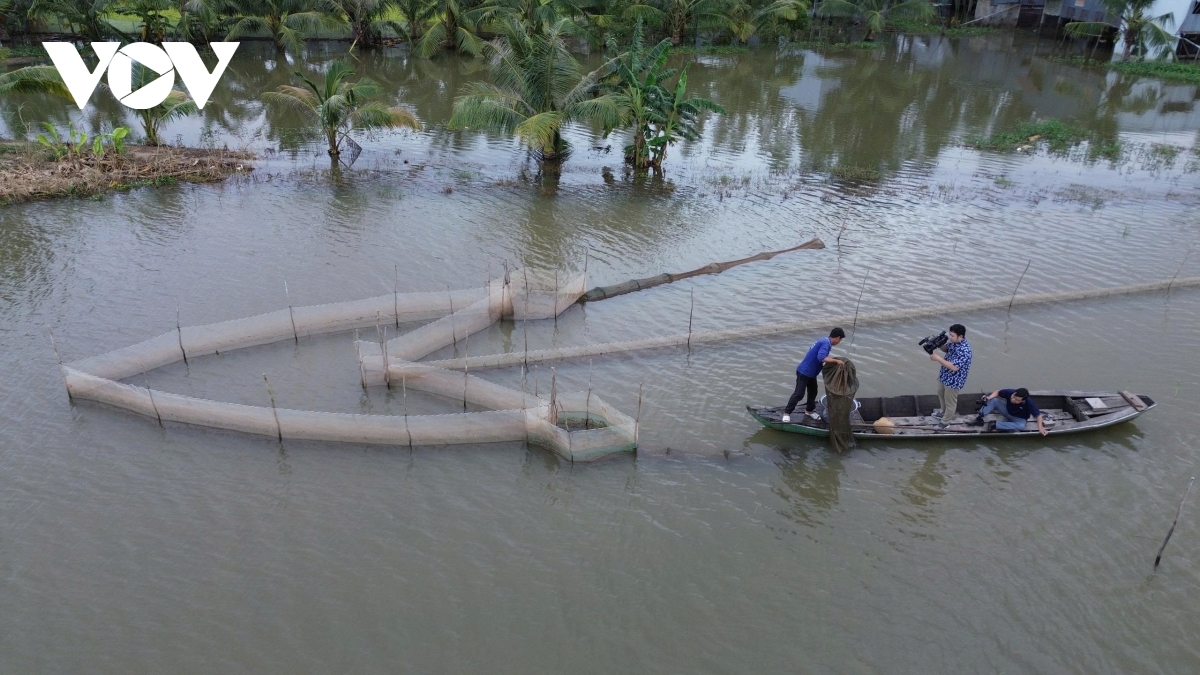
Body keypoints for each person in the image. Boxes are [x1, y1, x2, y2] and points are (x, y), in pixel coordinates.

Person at [782, 328, 845, 423]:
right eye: (840, 340)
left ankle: (809, 411)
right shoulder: (826, 343)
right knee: (799, 394)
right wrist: (836, 361)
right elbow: (821, 357)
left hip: (811, 373)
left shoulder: (824, 341)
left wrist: (830, 362)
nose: (840, 342)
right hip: (804, 372)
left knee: (813, 392)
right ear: (838, 338)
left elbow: (819, 358)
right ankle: (787, 413)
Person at [929, 323, 972, 430]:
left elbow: (954, 367)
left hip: (954, 380)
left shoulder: (965, 351)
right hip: (945, 375)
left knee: (950, 401)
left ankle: (945, 422)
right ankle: (942, 412)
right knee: (940, 393)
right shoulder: (954, 342)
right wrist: (938, 343)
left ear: (960, 336)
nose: (950, 337)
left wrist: (938, 358)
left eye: (952, 335)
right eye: (950, 334)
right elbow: (946, 349)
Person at [973, 388, 1048, 436]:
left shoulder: (1029, 402)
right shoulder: (1010, 392)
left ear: (1023, 400)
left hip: (1018, 418)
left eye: (1017, 400)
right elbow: (998, 392)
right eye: (1013, 397)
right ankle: (979, 418)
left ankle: (995, 424)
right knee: (994, 400)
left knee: (1021, 426)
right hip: (1006, 410)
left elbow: (1038, 416)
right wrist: (988, 398)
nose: (1013, 400)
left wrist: (1040, 428)